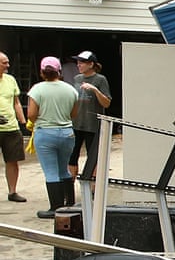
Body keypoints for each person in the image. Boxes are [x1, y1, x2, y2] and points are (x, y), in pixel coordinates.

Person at [26, 56, 78, 219]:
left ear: (42, 72)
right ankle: (70, 204)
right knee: (64, 169)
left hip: (45, 133)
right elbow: (73, 114)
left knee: (51, 172)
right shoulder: (70, 89)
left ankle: (56, 208)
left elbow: (31, 114)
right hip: (67, 133)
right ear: (59, 72)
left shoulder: (37, 89)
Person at [68, 50, 112, 185]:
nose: (78, 65)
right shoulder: (77, 79)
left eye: (82, 62)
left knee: (93, 157)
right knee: (72, 155)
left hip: (92, 125)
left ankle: (93, 188)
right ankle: (69, 186)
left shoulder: (100, 79)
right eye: (78, 62)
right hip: (76, 123)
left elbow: (107, 103)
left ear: (91, 64)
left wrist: (95, 90)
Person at [0, 52, 29, 202]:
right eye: (4, 62)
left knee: (13, 160)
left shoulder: (10, 79)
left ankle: (12, 191)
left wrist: (23, 122)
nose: (8, 65)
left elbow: (16, 102)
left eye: (7, 62)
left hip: (11, 127)